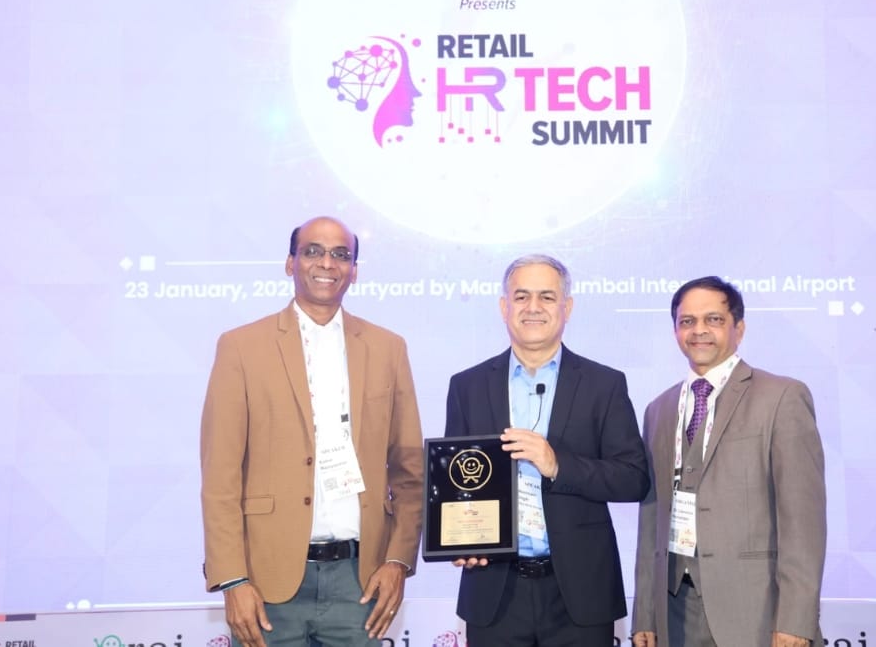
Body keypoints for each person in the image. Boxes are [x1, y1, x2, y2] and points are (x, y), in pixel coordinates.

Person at [200, 216, 425, 647]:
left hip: (360, 584)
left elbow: (409, 472)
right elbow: (220, 476)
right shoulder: (241, 347)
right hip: (265, 583)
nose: (327, 263)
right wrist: (232, 578)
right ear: (290, 263)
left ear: (354, 271)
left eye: (341, 255)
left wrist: (398, 561)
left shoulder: (388, 348)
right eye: (313, 251)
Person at [444, 254, 651, 646]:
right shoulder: (467, 385)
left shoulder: (604, 384)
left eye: (547, 297)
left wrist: (558, 465)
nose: (533, 307)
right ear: (504, 307)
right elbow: (458, 482)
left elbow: (633, 478)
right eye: (521, 297)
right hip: (494, 590)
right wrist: (462, 540)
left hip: (580, 593)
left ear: (567, 307)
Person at [632, 276, 827, 647]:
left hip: (757, 612)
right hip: (675, 613)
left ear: (739, 328)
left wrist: (795, 619)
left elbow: (803, 522)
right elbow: (650, 519)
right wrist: (645, 613)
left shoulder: (782, 397)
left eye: (714, 319)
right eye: (687, 321)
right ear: (675, 331)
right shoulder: (658, 410)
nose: (699, 330)